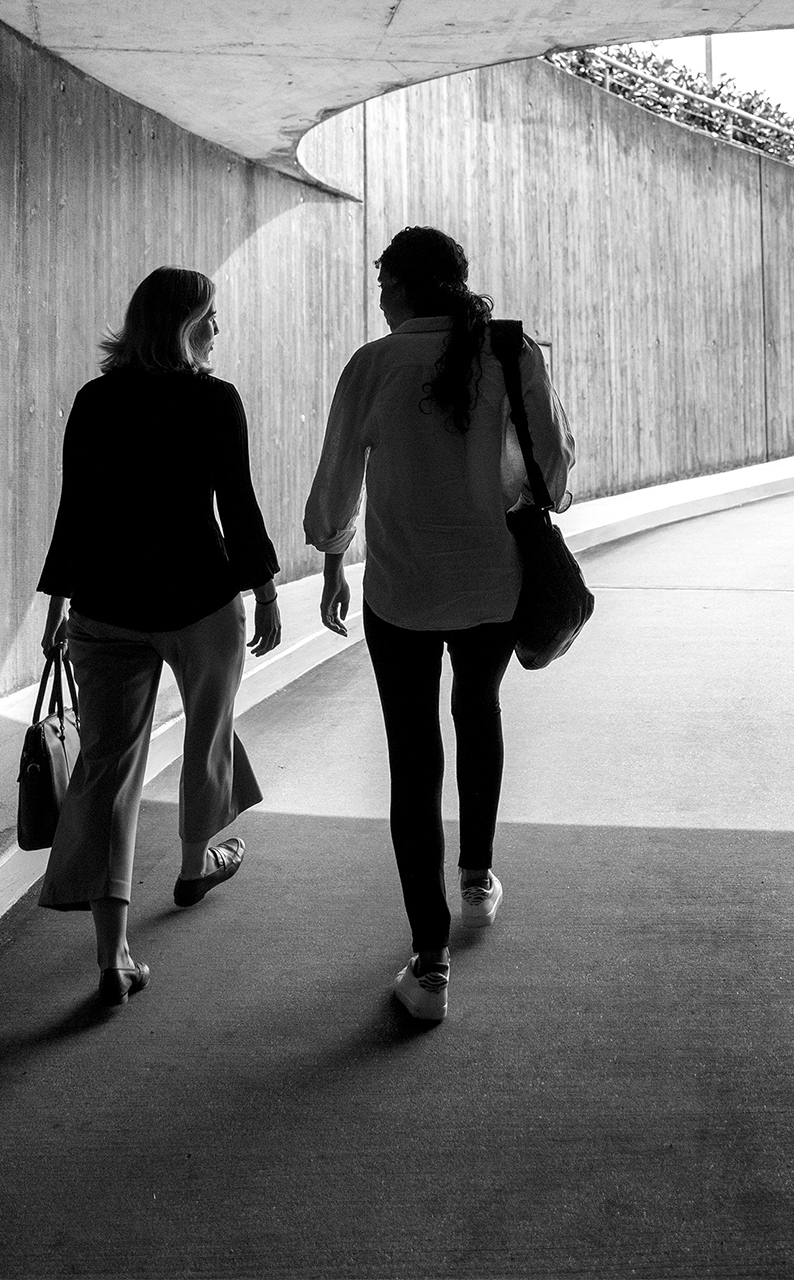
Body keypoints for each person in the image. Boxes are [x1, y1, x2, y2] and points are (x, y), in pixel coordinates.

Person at [304, 226, 574, 1025]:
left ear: (399, 286)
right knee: (479, 711)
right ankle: (477, 882)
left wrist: (330, 553)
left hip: (402, 593)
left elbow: (335, 486)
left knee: (413, 759)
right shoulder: (511, 354)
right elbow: (555, 469)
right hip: (494, 584)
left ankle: (429, 968)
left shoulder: (374, 363)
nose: (378, 298)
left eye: (381, 283)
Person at [36, 267, 283, 1005]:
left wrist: (57, 605)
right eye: (210, 316)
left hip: (105, 608)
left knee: (109, 770)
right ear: (183, 325)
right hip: (201, 604)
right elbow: (235, 504)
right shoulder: (214, 401)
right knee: (210, 731)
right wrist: (265, 589)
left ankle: (113, 960)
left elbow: (75, 510)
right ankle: (193, 860)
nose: (218, 328)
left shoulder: (95, 400)